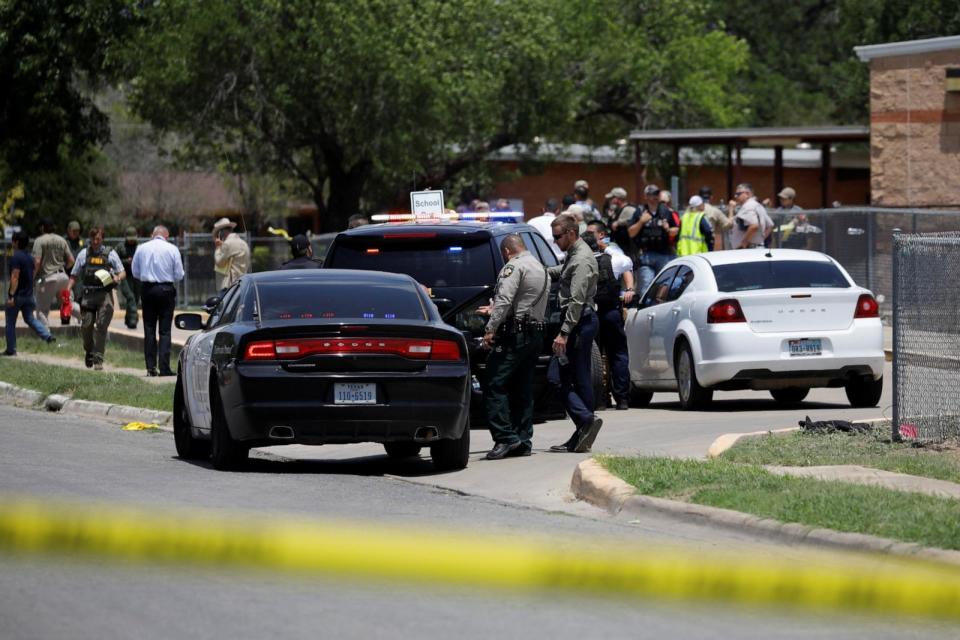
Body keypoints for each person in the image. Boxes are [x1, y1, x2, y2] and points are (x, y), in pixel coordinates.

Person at [477, 234, 549, 460]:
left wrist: (490, 329)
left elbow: (505, 300)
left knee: (492, 381)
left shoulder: (513, 267)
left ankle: (505, 438)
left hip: (515, 335)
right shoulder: (540, 267)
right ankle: (523, 440)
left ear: (507, 251)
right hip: (535, 333)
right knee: (523, 387)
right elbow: (524, 300)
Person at [546, 214, 602, 453]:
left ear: (571, 233)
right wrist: (543, 272)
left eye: (558, 236)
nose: (555, 241)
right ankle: (583, 430)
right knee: (578, 378)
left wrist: (564, 332)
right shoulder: (574, 254)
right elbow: (563, 271)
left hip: (578, 322)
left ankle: (585, 420)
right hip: (580, 322)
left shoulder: (581, 260)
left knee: (556, 377)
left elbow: (577, 300)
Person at [581, 230, 631, 410]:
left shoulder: (581, 263)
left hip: (589, 315)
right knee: (618, 354)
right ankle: (622, 398)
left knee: (592, 357)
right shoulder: (614, 259)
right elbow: (628, 264)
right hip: (611, 313)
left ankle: (599, 399)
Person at [68, 227, 125, 370]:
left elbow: (122, 272)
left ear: (102, 239)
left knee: (101, 327)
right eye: (93, 239)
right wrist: (67, 289)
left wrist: (117, 278)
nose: (95, 241)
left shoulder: (110, 254)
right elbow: (74, 274)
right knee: (86, 326)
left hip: (104, 295)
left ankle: (98, 360)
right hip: (88, 295)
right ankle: (89, 351)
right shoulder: (84, 254)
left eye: (98, 239)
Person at [131, 226, 184, 377]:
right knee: (165, 331)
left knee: (149, 329)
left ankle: (150, 368)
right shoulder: (172, 249)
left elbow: (135, 272)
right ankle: (165, 368)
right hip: (166, 290)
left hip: (147, 290)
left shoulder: (141, 248)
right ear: (166, 236)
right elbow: (179, 274)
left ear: (152, 235)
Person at [4, 232, 55, 356]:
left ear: (16, 242)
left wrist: (11, 295)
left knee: (10, 322)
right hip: (29, 295)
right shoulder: (30, 258)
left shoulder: (16, 257)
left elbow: (15, 276)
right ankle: (47, 336)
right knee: (30, 319)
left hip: (17, 296)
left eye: (13, 241)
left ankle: (11, 349)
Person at [627, 184, 679, 295]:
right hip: (646, 255)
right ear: (645, 196)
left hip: (664, 254)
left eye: (656, 194)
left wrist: (669, 229)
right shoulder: (640, 211)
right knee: (646, 286)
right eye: (651, 194)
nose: (654, 197)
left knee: (665, 286)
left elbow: (676, 230)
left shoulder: (666, 211)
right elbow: (631, 233)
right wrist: (641, 221)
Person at [32, 219, 75, 328]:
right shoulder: (61, 240)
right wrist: (63, 268)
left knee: (42, 310)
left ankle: (46, 336)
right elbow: (71, 261)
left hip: (48, 278)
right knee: (67, 303)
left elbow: (37, 262)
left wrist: (32, 277)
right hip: (63, 277)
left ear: (42, 228)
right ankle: (83, 318)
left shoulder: (40, 240)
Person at [727, 183, 772, 250]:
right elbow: (770, 226)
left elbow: (754, 226)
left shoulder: (748, 206)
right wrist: (759, 240)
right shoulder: (757, 205)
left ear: (747, 194)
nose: (735, 196)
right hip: (756, 248)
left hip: (748, 250)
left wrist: (744, 243)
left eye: (738, 194)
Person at [114, 226, 141, 329]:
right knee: (130, 297)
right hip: (124, 276)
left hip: (137, 277)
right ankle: (134, 319)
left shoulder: (139, 247)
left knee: (135, 298)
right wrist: (126, 261)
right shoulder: (120, 247)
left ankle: (128, 319)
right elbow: (114, 260)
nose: (131, 241)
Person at [213, 217, 250, 291]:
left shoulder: (227, 244)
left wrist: (217, 249)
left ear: (222, 231)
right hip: (243, 284)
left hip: (230, 286)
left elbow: (219, 263)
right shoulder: (244, 243)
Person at [698, 186, 731, 250]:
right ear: (711, 197)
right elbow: (728, 225)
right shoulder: (714, 211)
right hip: (706, 244)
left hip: (689, 245)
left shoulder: (688, 211)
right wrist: (731, 210)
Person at [64, 220, 84, 310]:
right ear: (68, 231)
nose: (76, 233)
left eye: (77, 231)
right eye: (74, 231)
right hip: (67, 271)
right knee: (66, 295)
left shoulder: (82, 242)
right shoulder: (64, 241)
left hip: (79, 273)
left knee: (79, 295)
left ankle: (80, 318)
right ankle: (65, 318)